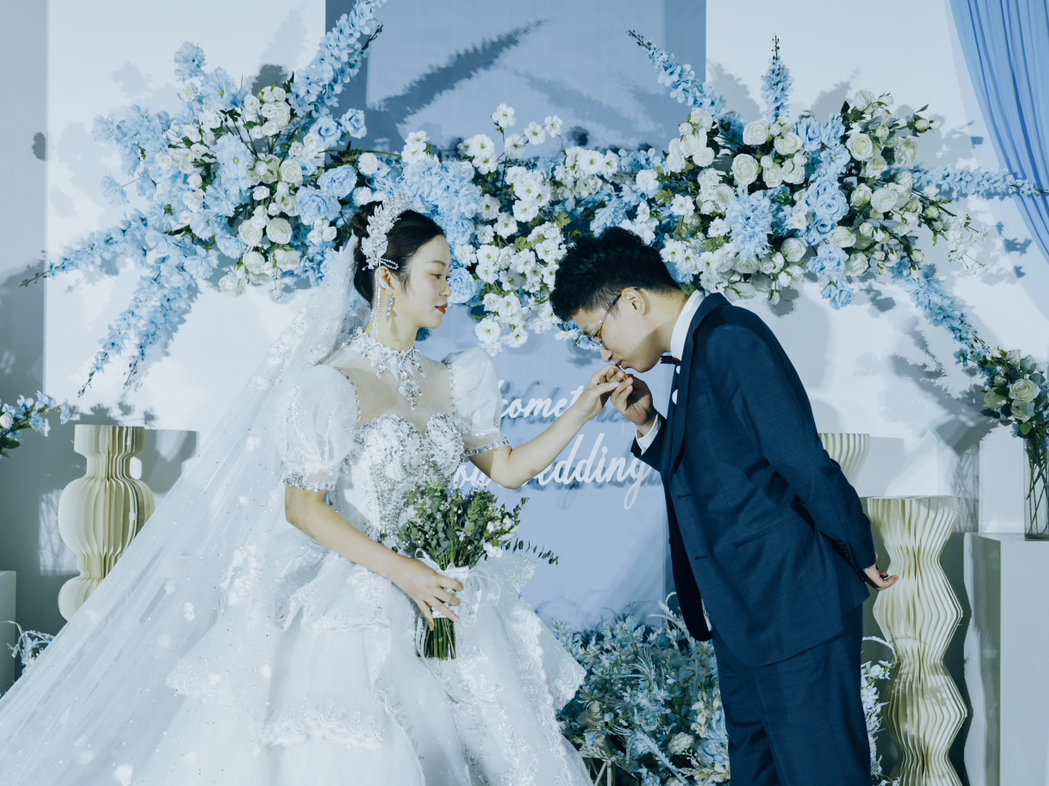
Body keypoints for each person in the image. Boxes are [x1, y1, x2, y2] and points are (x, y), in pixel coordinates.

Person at [0, 194, 618, 785]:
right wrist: (404, 573)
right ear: (388, 279)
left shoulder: (452, 379)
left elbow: (505, 468)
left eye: (449, 276)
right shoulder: (332, 385)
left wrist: (582, 411)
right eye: (436, 275)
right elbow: (302, 507)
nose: (448, 291)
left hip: (441, 590)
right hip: (363, 593)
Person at [550, 227, 898, 786]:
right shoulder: (695, 352)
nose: (604, 352)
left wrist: (859, 550)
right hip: (745, 615)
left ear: (633, 301)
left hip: (793, 607)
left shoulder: (729, 341)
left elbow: (805, 463)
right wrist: (650, 425)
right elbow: (724, 473)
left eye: (598, 333)